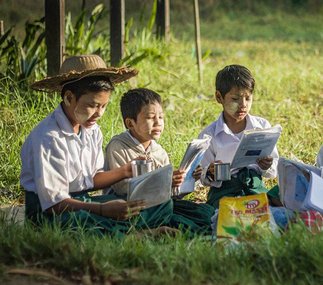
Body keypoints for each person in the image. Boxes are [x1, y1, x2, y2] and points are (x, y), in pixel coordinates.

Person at [20, 55, 170, 236]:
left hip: (83, 200)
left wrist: (126, 171)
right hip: (51, 212)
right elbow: (55, 203)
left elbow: (91, 179)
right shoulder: (48, 138)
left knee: (160, 204)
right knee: (82, 222)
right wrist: (101, 209)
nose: (99, 113)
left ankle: (123, 232)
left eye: (104, 106)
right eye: (92, 105)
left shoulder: (92, 131)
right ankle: (131, 234)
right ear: (69, 98)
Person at [104, 88, 214, 234]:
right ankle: (152, 230)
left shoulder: (159, 151)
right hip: (128, 208)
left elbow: (171, 195)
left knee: (205, 212)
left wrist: (186, 180)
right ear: (130, 123)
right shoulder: (118, 146)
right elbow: (121, 188)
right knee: (172, 213)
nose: (158, 123)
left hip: (160, 205)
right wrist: (164, 182)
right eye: (150, 117)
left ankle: (165, 225)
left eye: (161, 117)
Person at [198, 64, 279, 209]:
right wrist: (211, 173)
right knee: (216, 215)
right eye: (235, 99)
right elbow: (202, 176)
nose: (243, 105)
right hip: (224, 193)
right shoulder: (209, 135)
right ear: (219, 97)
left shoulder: (262, 126)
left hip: (254, 188)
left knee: (284, 194)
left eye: (248, 98)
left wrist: (267, 165)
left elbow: (273, 170)